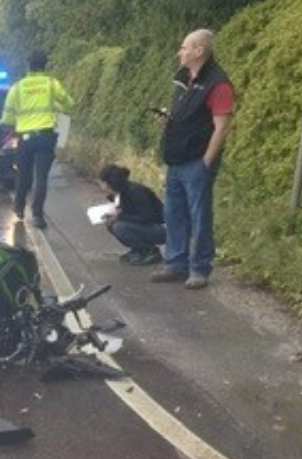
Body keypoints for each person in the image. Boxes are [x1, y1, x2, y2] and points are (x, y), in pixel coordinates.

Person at [149, 29, 235, 290]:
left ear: (199, 51)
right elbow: (186, 115)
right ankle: (176, 263)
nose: (180, 52)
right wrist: (168, 117)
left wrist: (207, 161)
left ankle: (199, 268)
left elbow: (222, 126)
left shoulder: (218, 83)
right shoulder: (184, 79)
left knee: (199, 216)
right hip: (176, 159)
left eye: (185, 48)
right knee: (173, 213)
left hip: (196, 161)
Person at [1, 49, 74, 229]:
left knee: (23, 174)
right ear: (45, 64)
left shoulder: (17, 87)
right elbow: (69, 104)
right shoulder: (51, 84)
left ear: (28, 65)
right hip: (45, 136)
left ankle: (18, 208)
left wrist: (19, 120)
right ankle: (37, 215)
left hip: (25, 138)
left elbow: (7, 118)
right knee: (40, 177)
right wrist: (54, 107)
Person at [98, 164, 166, 265]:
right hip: (149, 226)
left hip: (162, 228)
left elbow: (147, 217)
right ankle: (138, 249)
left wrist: (119, 216)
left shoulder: (135, 191)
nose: (102, 187)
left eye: (103, 183)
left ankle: (149, 250)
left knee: (119, 227)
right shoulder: (122, 192)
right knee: (111, 224)